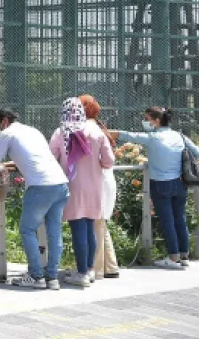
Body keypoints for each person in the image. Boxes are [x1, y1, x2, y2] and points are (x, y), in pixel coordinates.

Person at [106, 106, 199, 270]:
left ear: (156, 121)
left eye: (147, 119)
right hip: (180, 183)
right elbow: (198, 153)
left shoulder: (152, 137)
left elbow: (128, 135)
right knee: (179, 218)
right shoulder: (179, 135)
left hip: (161, 184)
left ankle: (173, 257)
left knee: (167, 221)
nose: (145, 122)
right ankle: (184, 255)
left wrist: (107, 131)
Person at [0, 108, 69, 290]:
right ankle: (52, 278)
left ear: (4, 121)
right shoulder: (33, 131)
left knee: (27, 229)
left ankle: (36, 276)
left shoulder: (7, 134)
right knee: (55, 231)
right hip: (60, 183)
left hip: (39, 185)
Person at [49, 98, 114, 287]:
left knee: (78, 228)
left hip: (72, 185)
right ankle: (90, 269)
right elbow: (109, 161)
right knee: (89, 227)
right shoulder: (96, 132)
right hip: (95, 185)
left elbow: (51, 157)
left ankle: (82, 272)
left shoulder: (61, 132)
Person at [80, 95, 120, 280]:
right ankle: (110, 266)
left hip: (97, 181)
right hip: (106, 180)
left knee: (95, 223)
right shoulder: (99, 127)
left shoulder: (84, 129)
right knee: (100, 223)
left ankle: (96, 269)